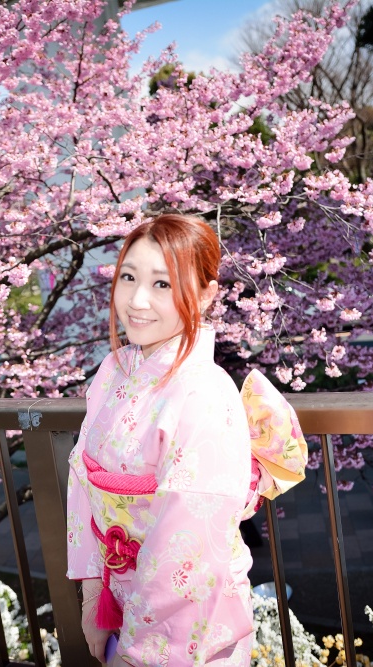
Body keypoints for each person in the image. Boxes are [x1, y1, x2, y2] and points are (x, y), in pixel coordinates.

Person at [65, 214, 308, 666]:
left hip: (190, 624)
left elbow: (188, 543)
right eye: (129, 277)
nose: (137, 300)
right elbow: (82, 476)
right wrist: (92, 596)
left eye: (163, 284)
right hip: (118, 595)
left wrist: (135, 652)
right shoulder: (113, 371)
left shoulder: (205, 392)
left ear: (206, 293)